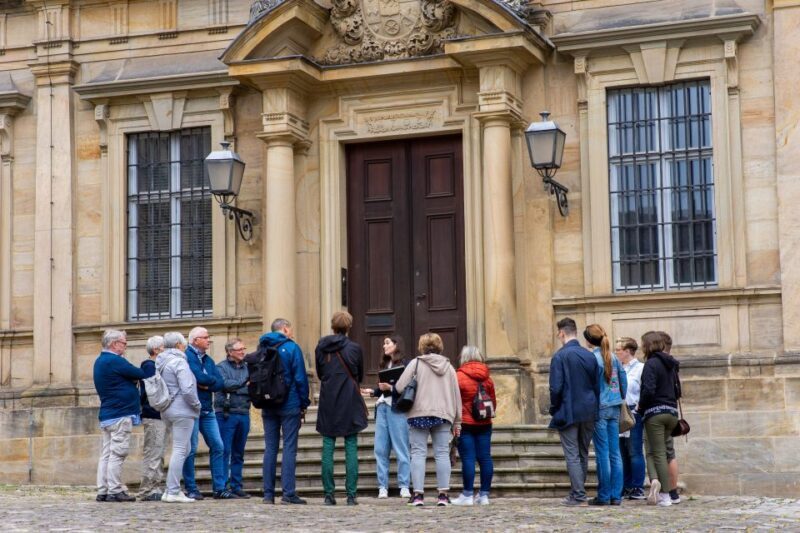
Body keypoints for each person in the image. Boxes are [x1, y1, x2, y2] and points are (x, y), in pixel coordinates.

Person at [395, 332, 461, 507]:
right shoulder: (449, 367)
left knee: (417, 453)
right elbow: (457, 396)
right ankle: (443, 495)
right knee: (441, 453)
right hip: (443, 414)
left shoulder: (416, 364)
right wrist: (458, 421)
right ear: (439, 347)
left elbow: (400, 386)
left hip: (419, 413)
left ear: (421, 347)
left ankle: (417, 495)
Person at [315, 311, 369, 506]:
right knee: (351, 445)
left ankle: (329, 494)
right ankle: (351, 495)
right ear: (349, 327)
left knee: (328, 446)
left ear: (332, 326)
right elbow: (359, 374)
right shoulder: (354, 348)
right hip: (349, 398)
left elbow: (320, 373)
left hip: (329, 398)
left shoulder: (321, 347)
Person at [257, 318, 311, 505]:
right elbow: (300, 378)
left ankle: (268, 494)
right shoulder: (292, 348)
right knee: (289, 448)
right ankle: (288, 494)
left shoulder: (262, 347)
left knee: (270, 448)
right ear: (285, 329)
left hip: (268, 404)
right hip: (289, 403)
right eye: (291, 329)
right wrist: (304, 402)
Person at [548, 317, 600, 507]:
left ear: (562, 333)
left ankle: (578, 495)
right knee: (582, 452)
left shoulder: (560, 356)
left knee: (572, 454)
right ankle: (578, 492)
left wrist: (554, 408)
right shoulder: (589, 355)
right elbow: (596, 386)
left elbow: (555, 388)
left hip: (568, 409)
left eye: (558, 333)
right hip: (588, 409)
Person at [93, 329, 146, 502]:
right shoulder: (115, 361)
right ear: (114, 344)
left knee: (107, 453)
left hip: (109, 413)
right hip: (120, 413)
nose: (126, 345)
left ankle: (103, 489)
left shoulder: (101, 360)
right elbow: (139, 373)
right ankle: (115, 490)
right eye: (124, 342)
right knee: (118, 453)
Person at [183, 326, 232, 499]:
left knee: (218, 446)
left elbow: (220, 383)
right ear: (195, 340)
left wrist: (205, 383)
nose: (208, 340)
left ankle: (219, 488)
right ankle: (191, 487)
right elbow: (198, 377)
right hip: (191, 408)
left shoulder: (208, 360)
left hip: (207, 409)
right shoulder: (187, 356)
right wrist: (204, 381)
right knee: (191, 449)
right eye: (205, 337)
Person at [361, 335, 412, 500]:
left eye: (387, 343)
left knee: (401, 448)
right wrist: (373, 391)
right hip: (382, 407)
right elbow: (383, 388)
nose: (384, 346)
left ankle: (404, 486)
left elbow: (409, 388)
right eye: (384, 343)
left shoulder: (406, 364)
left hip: (397, 408)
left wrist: (391, 387)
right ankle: (382, 487)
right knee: (380, 449)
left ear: (396, 344)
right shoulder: (384, 364)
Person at [584, 324, 627, 506]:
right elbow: (623, 380)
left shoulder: (593, 359)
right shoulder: (614, 357)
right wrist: (619, 396)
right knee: (615, 453)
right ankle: (616, 496)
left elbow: (589, 386)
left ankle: (604, 495)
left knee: (602, 453)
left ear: (588, 340)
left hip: (600, 408)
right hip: (615, 406)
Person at [157, 332, 201, 503]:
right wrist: (197, 405)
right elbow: (188, 388)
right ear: (177, 345)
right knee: (181, 449)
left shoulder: (161, 362)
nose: (185, 347)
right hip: (182, 409)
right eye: (183, 344)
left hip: (167, 409)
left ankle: (171, 489)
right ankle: (173, 490)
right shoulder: (179, 362)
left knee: (185, 448)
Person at [638, 330, 680, 507]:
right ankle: (673, 493)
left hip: (655, 413)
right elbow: (678, 391)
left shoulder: (651, 364)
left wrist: (641, 405)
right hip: (672, 412)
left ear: (647, 346)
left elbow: (648, 390)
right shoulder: (671, 364)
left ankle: (665, 495)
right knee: (667, 452)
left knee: (659, 454)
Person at [451, 346, 496, 506]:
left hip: (465, 422)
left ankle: (467, 494)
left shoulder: (458, 376)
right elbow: (493, 403)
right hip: (485, 422)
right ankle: (484, 495)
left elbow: (454, 402)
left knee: (468, 458)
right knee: (485, 457)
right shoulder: (487, 377)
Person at [215, 338, 251, 499]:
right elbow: (226, 384)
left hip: (244, 412)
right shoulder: (221, 367)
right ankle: (222, 486)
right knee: (225, 451)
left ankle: (236, 485)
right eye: (239, 349)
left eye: (243, 348)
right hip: (226, 414)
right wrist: (244, 384)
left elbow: (252, 389)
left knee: (239, 452)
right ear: (230, 352)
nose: (243, 352)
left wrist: (239, 387)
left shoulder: (248, 367)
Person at [137, 335, 168, 501]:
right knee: (153, 453)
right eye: (164, 347)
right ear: (156, 350)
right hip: (153, 414)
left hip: (159, 415)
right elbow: (153, 392)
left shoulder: (157, 365)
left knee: (159, 452)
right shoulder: (149, 366)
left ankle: (155, 486)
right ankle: (147, 489)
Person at [616, 336, 646, 501]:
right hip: (618, 414)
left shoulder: (641, 368)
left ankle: (637, 486)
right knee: (621, 452)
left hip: (634, 413)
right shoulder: (617, 368)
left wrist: (641, 407)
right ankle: (625, 485)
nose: (616, 353)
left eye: (618, 350)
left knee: (634, 451)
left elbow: (644, 389)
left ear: (627, 351)